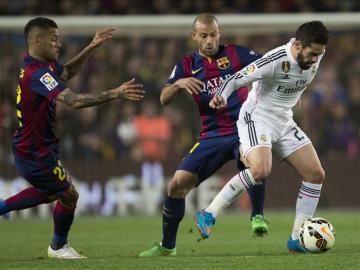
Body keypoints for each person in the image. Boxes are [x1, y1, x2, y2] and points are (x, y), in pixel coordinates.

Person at [0, 17, 144, 259]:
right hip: (35, 151)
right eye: (53, 39)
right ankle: (58, 247)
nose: (59, 43)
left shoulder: (39, 65)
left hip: (36, 147)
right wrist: (115, 93)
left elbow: (68, 71)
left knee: (51, 192)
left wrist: (91, 46)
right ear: (37, 41)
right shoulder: (38, 74)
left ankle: (5, 207)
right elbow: (74, 101)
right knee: (69, 195)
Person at [139, 13, 268, 257]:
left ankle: (257, 216)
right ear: (194, 36)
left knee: (255, 163)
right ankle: (168, 247)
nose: (209, 40)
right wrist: (178, 84)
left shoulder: (236, 53)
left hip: (243, 126)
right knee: (176, 185)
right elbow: (163, 99)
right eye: (204, 36)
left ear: (219, 33)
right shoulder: (186, 65)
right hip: (212, 135)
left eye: (214, 34)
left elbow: (267, 67)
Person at [208, 21, 329, 253]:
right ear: (298, 45)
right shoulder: (274, 61)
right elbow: (234, 79)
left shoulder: (315, 53)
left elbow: (297, 80)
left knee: (315, 174)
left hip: (284, 120)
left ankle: (296, 240)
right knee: (261, 170)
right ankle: (209, 213)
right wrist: (220, 96)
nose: (315, 59)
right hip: (258, 116)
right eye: (312, 54)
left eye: (319, 54)